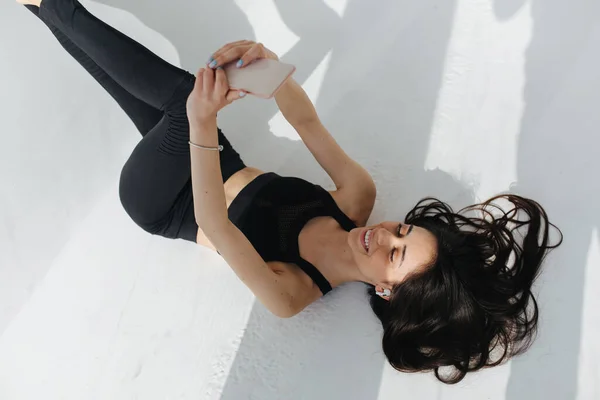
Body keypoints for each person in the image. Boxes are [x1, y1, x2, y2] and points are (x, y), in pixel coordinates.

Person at [18, 0, 562, 384]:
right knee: (124, 81)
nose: (384, 234)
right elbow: (306, 122)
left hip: (167, 203)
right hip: (213, 155)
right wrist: (268, 66)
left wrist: (201, 122)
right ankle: (41, 8)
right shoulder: (356, 198)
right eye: (403, 230)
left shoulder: (293, 294)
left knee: (182, 96)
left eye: (395, 255)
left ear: (390, 293)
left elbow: (218, 223)